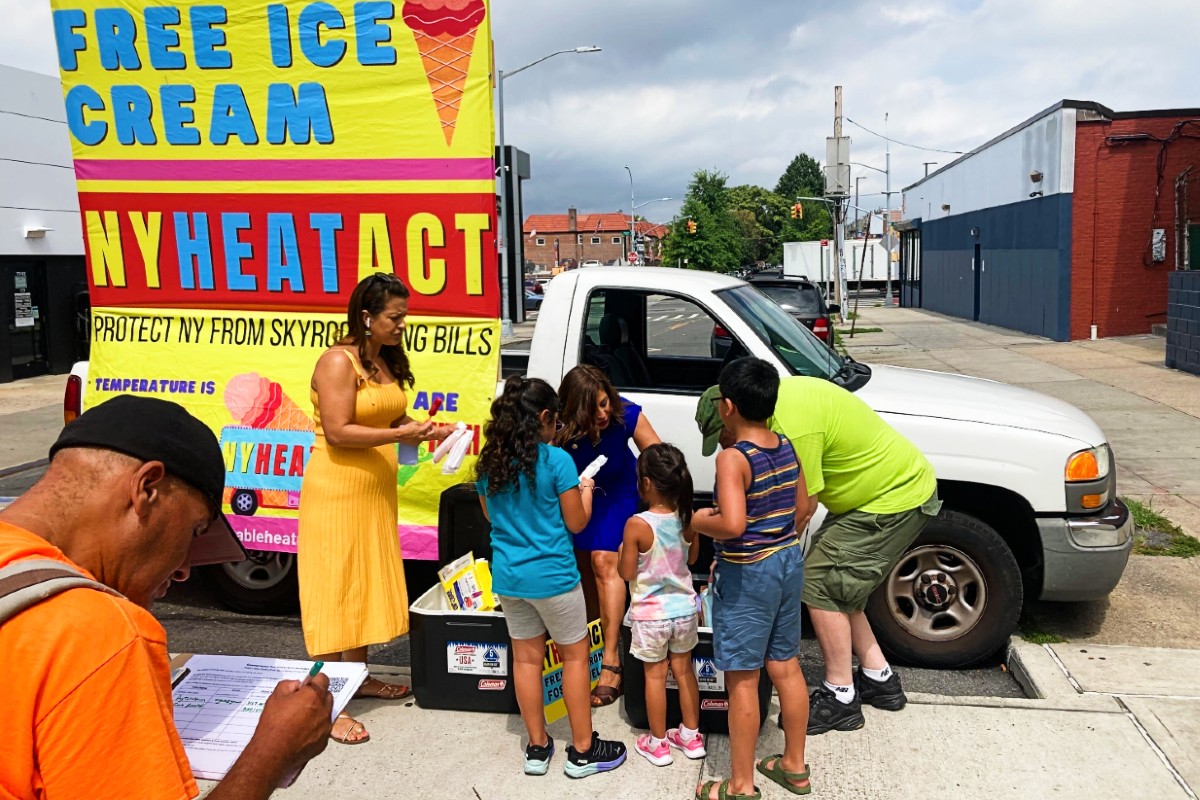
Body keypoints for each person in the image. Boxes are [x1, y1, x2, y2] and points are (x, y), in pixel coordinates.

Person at [0, 395, 334, 799]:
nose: (184, 569)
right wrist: (273, 752)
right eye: (194, 532)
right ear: (147, 487)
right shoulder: (97, 634)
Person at [695, 374, 940, 736]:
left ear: (731, 410)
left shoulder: (792, 427)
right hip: (873, 497)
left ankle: (841, 697)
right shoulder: (775, 412)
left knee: (820, 584)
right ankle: (879, 677)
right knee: (842, 587)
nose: (725, 446)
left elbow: (801, 508)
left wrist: (756, 555)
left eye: (724, 436)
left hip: (891, 498)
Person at [298, 272, 452, 745]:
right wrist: (399, 435)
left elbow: (387, 416)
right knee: (337, 590)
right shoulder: (337, 362)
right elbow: (340, 430)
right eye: (395, 316)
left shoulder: (382, 361)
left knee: (361, 585)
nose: (403, 324)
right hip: (338, 493)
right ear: (367, 317)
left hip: (372, 494)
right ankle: (326, 701)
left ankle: (357, 677)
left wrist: (424, 429)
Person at [475, 376, 628, 778]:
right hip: (556, 578)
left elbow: (491, 515)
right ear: (544, 417)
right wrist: (587, 490)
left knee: (525, 660)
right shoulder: (557, 462)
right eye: (555, 421)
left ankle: (537, 747)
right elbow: (576, 522)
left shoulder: (489, 461)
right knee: (574, 657)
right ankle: (582, 750)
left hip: (510, 578)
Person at [692, 358, 813, 800]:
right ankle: (793, 766)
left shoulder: (733, 458)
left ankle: (741, 785)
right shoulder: (785, 444)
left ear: (727, 406)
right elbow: (803, 507)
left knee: (742, 677)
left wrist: (698, 520)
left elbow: (733, 524)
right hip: (787, 561)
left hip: (749, 572)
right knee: (785, 666)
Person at [555, 364, 660, 707]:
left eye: (604, 403)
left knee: (604, 561)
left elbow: (658, 457)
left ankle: (612, 658)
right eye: (592, 408)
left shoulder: (625, 413)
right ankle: (588, 647)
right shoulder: (559, 427)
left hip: (617, 493)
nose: (601, 413)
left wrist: (659, 503)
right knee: (582, 566)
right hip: (576, 495)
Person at [617, 443, 706, 767]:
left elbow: (626, 572)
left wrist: (623, 551)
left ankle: (657, 742)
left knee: (654, 678)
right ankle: (691, 736)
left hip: (651, 615)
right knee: (684, 673)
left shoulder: (637, 525)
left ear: (647, 484)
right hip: (684, 611)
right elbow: (693, 558)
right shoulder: (689, 518)